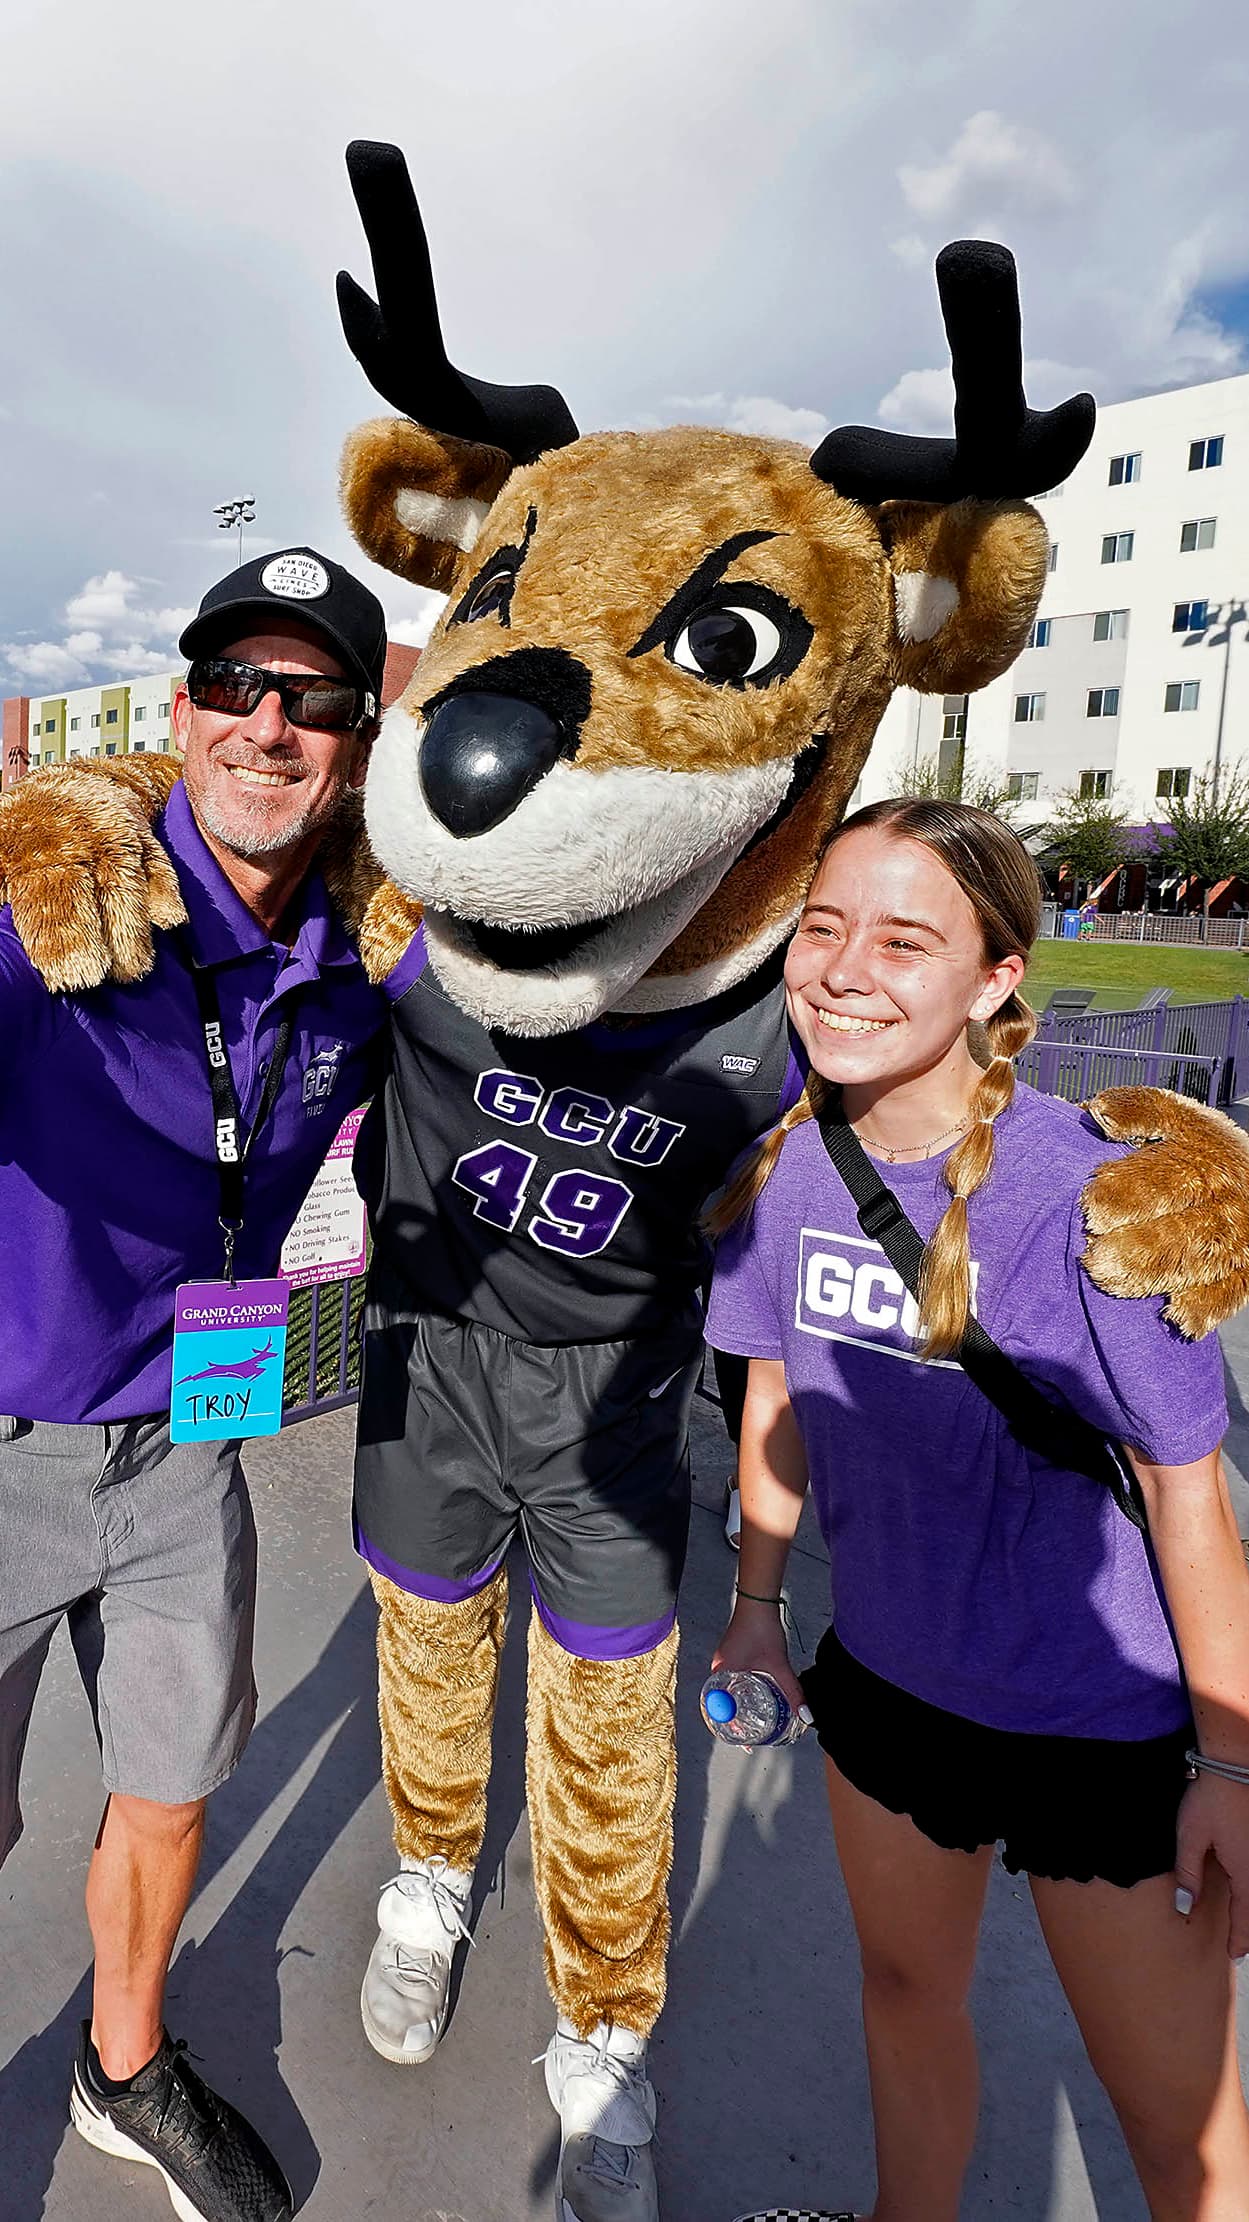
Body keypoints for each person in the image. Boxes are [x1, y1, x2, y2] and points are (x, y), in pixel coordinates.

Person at [709, 799, 1249, 2222]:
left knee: (1177, 2129)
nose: (838, 968)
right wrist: (756, 1611)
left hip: (1109, 1731)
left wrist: (1233, 1765)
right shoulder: (786, 1170)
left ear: (992, 978)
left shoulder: (1093, 1200)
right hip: (889, 1690)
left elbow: (1190, 1495)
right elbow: (774, 1394)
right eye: (820, 927)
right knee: (901, 1993)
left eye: (901, 939)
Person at [0, 546, 392, 2222]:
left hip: (187, 1441)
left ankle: (125, 2059)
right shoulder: (61, 889)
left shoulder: (364, 943)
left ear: (361, 742)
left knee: (169, 1784)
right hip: (7, 1429)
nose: (266, 725)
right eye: (234, 685)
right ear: (180, 710)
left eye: (310, 700)